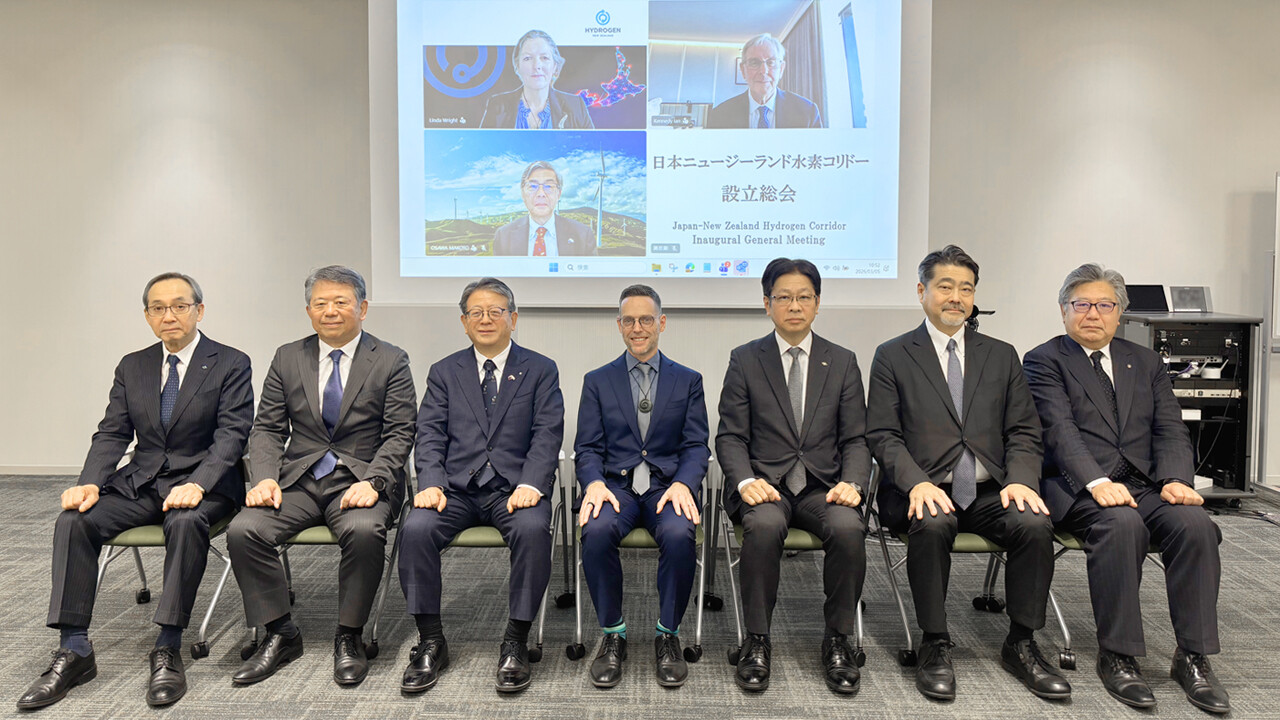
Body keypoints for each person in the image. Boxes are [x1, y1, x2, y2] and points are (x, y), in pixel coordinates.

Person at [17, 272, 253, 710]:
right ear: (147, 316)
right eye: (158, 308)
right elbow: (112, 432)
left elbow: (232, 436)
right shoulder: (133, 365)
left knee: (185, 521)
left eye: (179, 306)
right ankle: (74, 648)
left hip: (206, 484)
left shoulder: (230, 362)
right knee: (75, 521)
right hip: (142, 482)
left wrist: (198, 484)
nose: (169, 316)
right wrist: (89, 482)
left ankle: (168, 646)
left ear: (199, 311)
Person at [866, 245, 1070, 702]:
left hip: (988, 490)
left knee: (1034, 523)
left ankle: (1022, 642)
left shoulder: (1001, 355)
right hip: (920, 489)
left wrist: (1020, 480)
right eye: (945, 287)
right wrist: (917, 482)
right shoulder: (893, 355)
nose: (956, 297)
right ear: (921, 291)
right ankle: (935, 643)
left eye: (966, 288)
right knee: (932, 522)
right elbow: (882, 434)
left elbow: (1023, 430)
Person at [1023, 264, 1229, 714]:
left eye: (1104, 305)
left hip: (1144, 484)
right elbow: (1059, 431)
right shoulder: (1044, 360)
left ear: (1120, 313)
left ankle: (1192, 656)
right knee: (1122, 525)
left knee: (1196, 525)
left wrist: (1176, 480)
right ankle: (1118, 655)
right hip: (1077, 486)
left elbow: (1170, 428)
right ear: (1063, 310)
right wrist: (1097, 481)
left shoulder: (1146, 362)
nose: (1092, 313)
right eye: (1081, 304)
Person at [227, 265, 415, 688]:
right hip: (299, 480)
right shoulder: (287, 357)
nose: (330, 311)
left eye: (341, 302)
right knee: (244, 529)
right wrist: (264, 477)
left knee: (364, 531)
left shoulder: (390, 359)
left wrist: (375, 481)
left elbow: (401, 432)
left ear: (362, 308)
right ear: (309, 310)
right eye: (320, 303)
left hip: (361, 480)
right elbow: (267, 428)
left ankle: (349, 635)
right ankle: (280, 632)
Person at [399, 278, 564, 695]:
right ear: (464, 322)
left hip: (514, 490)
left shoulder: (540, 369)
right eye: (476, 312)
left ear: (513, 318)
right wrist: (430, 483)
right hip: (455, 490)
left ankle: (516, 641)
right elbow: (429, 433)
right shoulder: (445, 371)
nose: (486, 319)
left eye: (495, 311)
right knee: (415, 529)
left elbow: (547, 434)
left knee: (533, 530)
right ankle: (431, 640)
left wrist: (532, 483)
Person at [715, 258, 871, 695]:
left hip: (824, 486)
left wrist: (853, 483)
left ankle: (837, 639)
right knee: (764, 526)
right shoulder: (746, 359)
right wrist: (745, 481)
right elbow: (730, 436)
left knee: (848, 528)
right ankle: (757, 639)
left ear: (818, 303)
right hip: (766, 484)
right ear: (767, 304)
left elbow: (856, 438)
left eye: (804, 297)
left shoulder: (842, 361)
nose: (795, 306)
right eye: (784, 297)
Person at [575, 285, 709, 689]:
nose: (638, 328)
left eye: (646, 319)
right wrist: (593, 483)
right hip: (615, 487)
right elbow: (587, 447)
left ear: (661, 323)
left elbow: (696, 445)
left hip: (666, 487)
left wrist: (684, 483)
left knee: (680, 533)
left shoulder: (688, 380)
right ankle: (613, 634)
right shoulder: (597, 381)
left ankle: (667, 634)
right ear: (619, 325)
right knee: (596, 529)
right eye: (629, 320)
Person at [480, 30, 594, 129]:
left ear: (555, 66)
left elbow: (592, 146)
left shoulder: (576, 106)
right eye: (528, 58)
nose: (536, 66)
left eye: (544, 58)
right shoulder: (497, 105)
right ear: (517, 66)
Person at [706, 34, 822, 129]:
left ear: (781, 69)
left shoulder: (807, 112)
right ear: (743, 70)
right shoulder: (720, 115)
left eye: (771, 62)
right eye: (754, 63)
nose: (763, 71)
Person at [492, 161, 596, 257]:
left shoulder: (583, 234)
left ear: (558, 194)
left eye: (549, 186)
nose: (541, 193)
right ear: (523, 194)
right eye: (532, 186)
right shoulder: (503, 236)